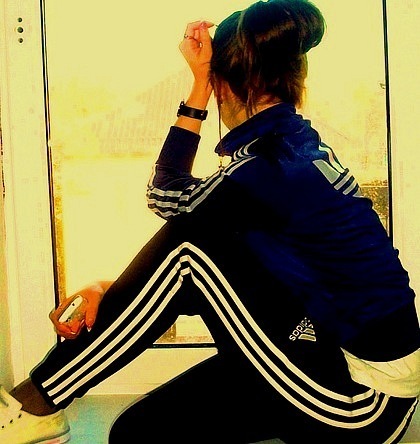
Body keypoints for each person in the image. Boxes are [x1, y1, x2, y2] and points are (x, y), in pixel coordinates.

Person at [1, 0, 419, 443]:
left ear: (223, 83)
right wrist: (108, 289)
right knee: (138, 435)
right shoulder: (294, 145)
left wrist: (198, 84)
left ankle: (37, 402)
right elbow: (231, 273)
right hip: (319, 348)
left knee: (188, 244)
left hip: (361, 400)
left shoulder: (267, 168)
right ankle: (42, 409)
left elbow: (167, 197)